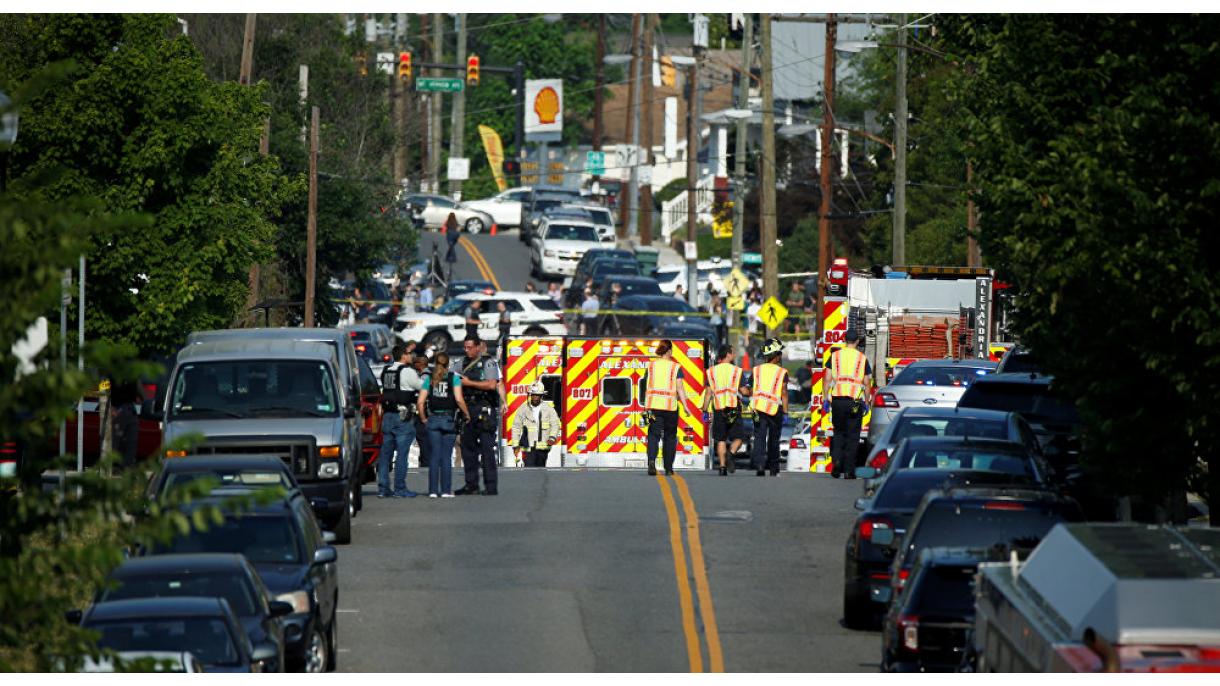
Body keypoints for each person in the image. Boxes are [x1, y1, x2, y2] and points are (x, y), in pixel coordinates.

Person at [417, 351, 470, 498]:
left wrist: (423, 418)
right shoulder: (454, 379)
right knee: (446, 456)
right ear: (448, 364)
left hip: (433, 419)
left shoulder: (430, 379)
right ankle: (446, 490)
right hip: (448, 419)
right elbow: (459, 400)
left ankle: (433, 490)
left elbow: (420, 402)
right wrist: (466, 413)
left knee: (434, 456)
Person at [456, 335, 503, 495]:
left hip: (484, 409)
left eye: (469, 347)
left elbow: (491, 384)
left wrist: (469, 383)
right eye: (465, 347)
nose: (466, 350)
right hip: (467, 409)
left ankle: (491, 486)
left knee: (487, 449)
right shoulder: (460, 363)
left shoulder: (488, 363)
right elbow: (451, 380)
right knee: (468, 449)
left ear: (478, 347)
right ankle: (471, 484)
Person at [824, 329, 874, 479]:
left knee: (838, 433)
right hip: (854, 402)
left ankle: (837, 462)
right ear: (857, 341)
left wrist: (826, 398)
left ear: (844, 339)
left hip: (838, 400)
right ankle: (848, 471)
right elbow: (867, 381)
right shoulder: (861, 358)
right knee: (853, 437)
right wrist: (866, 402)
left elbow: (827, 379)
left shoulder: (835, 356)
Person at [376, 344, 423, 498]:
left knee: (385, 454)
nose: (412, 356)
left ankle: (383, 488)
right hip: (403, 416)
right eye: (409, 353)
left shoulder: (386, 370)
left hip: (388, 416)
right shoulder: (408, 371)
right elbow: (422, 386)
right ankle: (400, 488)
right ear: (403, 355)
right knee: (402, 454)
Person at [643, 339, 689, 476]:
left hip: (653, 407)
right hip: (670, 408)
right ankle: (668, 468)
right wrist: (686, 406)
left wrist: (645, 406)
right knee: (670, 437)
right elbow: (680, 388)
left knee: (653, 435)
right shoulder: (675, 367)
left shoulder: (651, 366)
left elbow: (645, 385)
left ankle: (651, 461)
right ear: (669, 351)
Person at [705, 345, 749, 476]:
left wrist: (704, 409)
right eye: (733, 352)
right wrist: (751, 391)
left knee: (721, 439)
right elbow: (743, 391)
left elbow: (708, 393)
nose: (734, 354)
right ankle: (731, 453)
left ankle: (722, 467)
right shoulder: (736, 371)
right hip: (733, 407)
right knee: (739, 437)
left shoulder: (711, 371)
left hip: (718, 408)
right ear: (728, 354)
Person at [750, 337, 789, 476]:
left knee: (759, 438)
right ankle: (773, 468)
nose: (780, 356)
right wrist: (785, 412)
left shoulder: (756, 371)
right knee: (774, 439)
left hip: (758, 408)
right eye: (779, 353)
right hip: (775, 410)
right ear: (775, 355)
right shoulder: (782, 372)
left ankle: (760, 466)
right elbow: (783, 393)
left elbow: (751, 390)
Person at [511, 382, 561, 467]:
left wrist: (552, 437)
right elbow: (516, 427)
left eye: (537, 395)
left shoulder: (548, 409)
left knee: (540, 471)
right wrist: (515, 445)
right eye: (533, 395)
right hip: (528, 447)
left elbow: (555, 424)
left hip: (543, 447)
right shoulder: (523, 409)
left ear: (541, 396)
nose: (534, 397)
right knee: (529, 470)